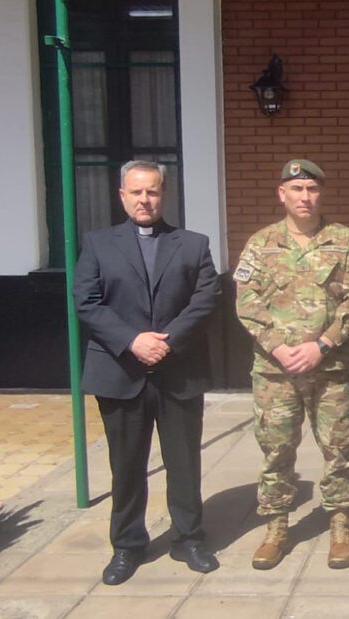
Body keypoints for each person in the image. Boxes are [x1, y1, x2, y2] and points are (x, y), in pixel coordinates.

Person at [74, 160, 221, 585]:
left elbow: (206, 298)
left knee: (184, 462)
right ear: (122, 196)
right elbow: (86, 301)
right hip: (120, 371)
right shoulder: (98, 243)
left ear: (163, 194)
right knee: (126, 466)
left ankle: (188, 538)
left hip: (179, 371)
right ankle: (127, 545)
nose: (144, 200)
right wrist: (133, 340)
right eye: (136, 192)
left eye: (152, 191)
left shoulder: (192, 244)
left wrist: (167, 341)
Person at [234, 159, 349, 570]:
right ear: (282, 194)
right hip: (275, 373)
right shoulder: (261, 243)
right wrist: (277, 347)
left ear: (320, 194)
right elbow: (246, 301)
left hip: (329, 369)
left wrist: (323, 345)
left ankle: (341, 524)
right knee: (276, 450)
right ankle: (277, 526)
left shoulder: (343, 241)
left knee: (339, 448)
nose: (305, 197)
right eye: (296, 189)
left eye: (312, 189)